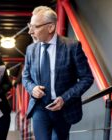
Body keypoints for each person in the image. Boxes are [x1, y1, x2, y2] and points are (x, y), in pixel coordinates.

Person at [22, 6, 94, 140]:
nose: (30, 31)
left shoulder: (72, 46)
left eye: (35, 27)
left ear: (50, 27)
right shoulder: (30, 49)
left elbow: (87, 78)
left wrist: (64, 98)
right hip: (39, 107)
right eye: (29, 26)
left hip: (63, 108)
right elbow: (25, 77)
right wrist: (32, 89)